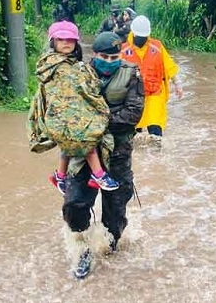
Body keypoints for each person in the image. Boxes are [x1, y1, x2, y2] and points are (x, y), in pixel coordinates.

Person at [62, 31, 145, 279]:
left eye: (113, 56)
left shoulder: (131, 75)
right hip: (82, 152)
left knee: (116, 209)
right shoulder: (80, 75)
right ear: (94, 55)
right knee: (74, 204)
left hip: (118, 153)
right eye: (103, 56)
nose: (109, 61)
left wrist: (94, 125)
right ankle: (83, 248)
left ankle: (110, 248)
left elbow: (133, 114)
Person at [27, 21, 120, 193]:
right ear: (53, 41)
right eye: (61, 39)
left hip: (58, 118)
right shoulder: (62, 67)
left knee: (67, 147)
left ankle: (60, 176)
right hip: (63, 116)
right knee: (88, 141)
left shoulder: (53, 63)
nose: (66, 42)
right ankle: (99, 174)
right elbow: (81, 91)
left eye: (70, 39)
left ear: (76, 42)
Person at [121, 15, 183, 146]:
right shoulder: (124, 50)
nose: (142, 39)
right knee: (132, 133)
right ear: (133, 33)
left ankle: (156, 158)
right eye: (139, 37)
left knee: (155, 131)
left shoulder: (157, 47)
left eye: (144, 37)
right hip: (133, 97)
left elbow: (169, 65)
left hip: (155, 94)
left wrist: (178, 84)